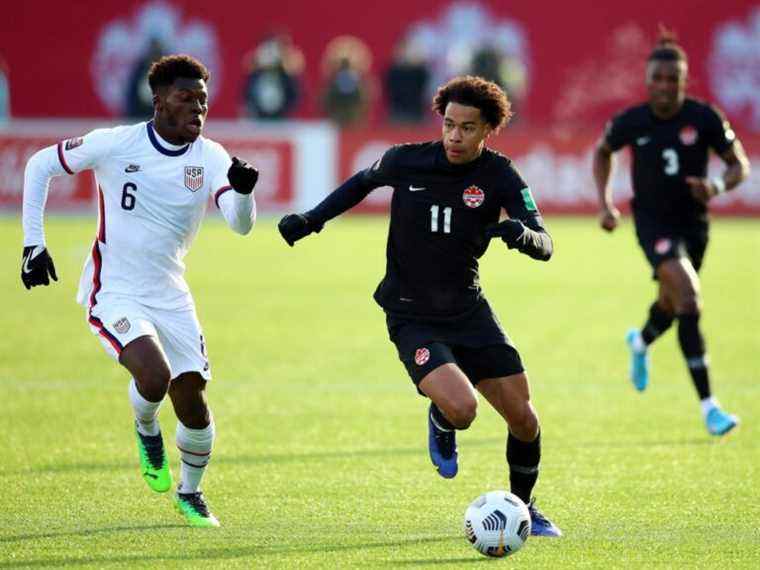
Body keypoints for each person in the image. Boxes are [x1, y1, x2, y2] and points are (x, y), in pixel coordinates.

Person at [279, 75, 561, 537]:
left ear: (488, 128)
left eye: (468, 128)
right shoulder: (406, 160)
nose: (455, 136)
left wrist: (523, 237)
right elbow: (360, 183)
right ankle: (441, 414)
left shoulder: (501, 175)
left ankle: (526, 508)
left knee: (525, 420)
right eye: (449, 124)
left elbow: (545, 242)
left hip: (469, 312)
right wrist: (313, 219)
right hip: (411, 313)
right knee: (463, 409)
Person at [21, 55, 259, 527]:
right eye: (185, 98)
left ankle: (190, 493)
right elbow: (39, 165)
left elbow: (240, 225)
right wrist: (33, 242)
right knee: (154, 377)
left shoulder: (210, 156)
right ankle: (146, 427)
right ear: (158, 102)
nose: (197, 109)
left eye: (203, 101)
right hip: (115, 289)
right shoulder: (117, 143)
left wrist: (245, 191)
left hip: (170, 292)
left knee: (192, 401)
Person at [593, 31, 750, 436]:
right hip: (653, 224)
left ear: (684, 81)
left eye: (672, 79)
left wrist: (715, 187)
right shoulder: (632, 121)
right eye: (657, 79)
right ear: (647, 82)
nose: (664, 86)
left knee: (672, 301)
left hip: (694, 225)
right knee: (689, 296)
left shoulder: (704, 118)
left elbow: (739, 165)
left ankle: (640, 343)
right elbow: (602, 151)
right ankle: (710, 407)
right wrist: (605, 202)